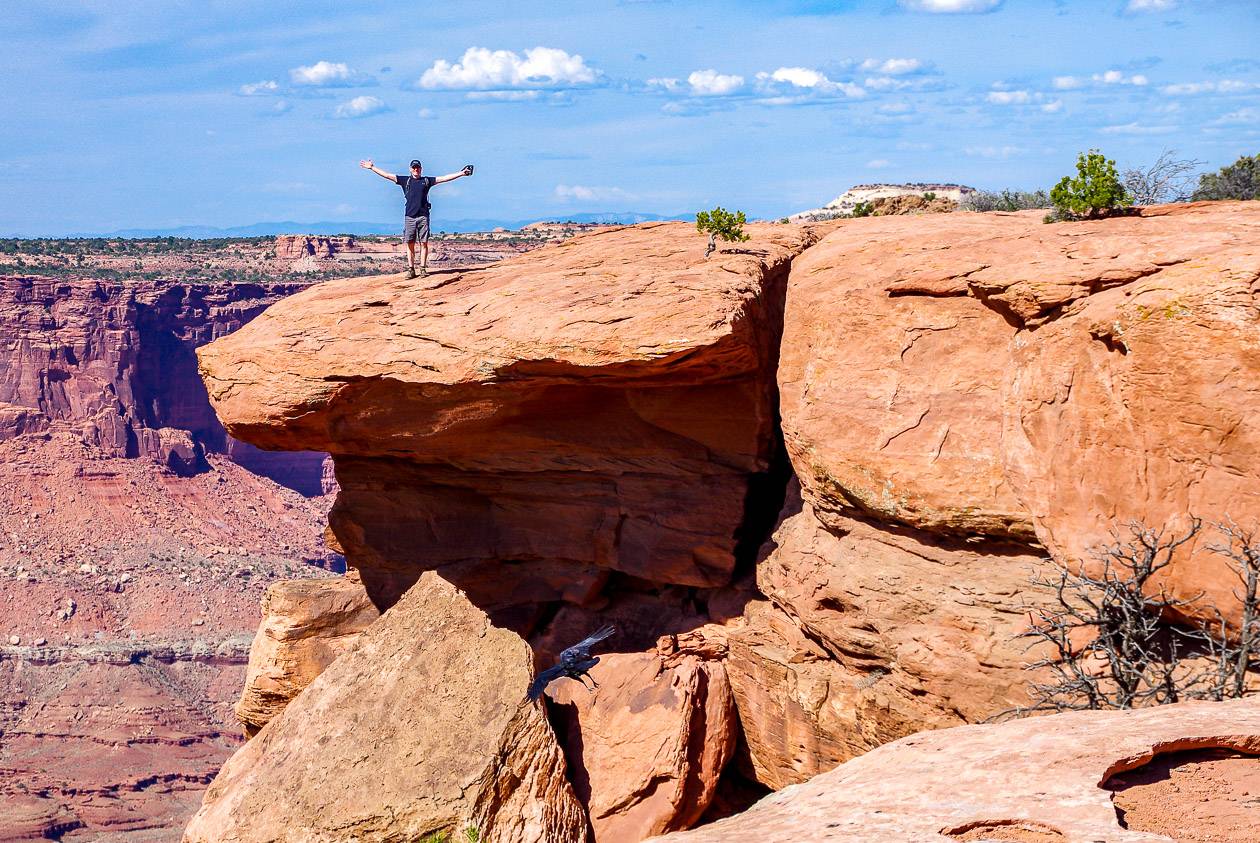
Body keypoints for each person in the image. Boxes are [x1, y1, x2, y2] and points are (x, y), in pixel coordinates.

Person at [359, 158, 473, 278]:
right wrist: (372, 167)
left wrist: (461, 173)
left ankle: (422, 268)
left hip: (423, 216)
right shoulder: (405, 180)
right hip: (410, 217)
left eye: (418, 167)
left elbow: (444, 178)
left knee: (424, 243)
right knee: (410, 244)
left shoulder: (427, 181)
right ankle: (411, 269)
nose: (416, 169)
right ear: (410, 169)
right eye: (414, 167)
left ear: (421, 169)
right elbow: (387, 175)